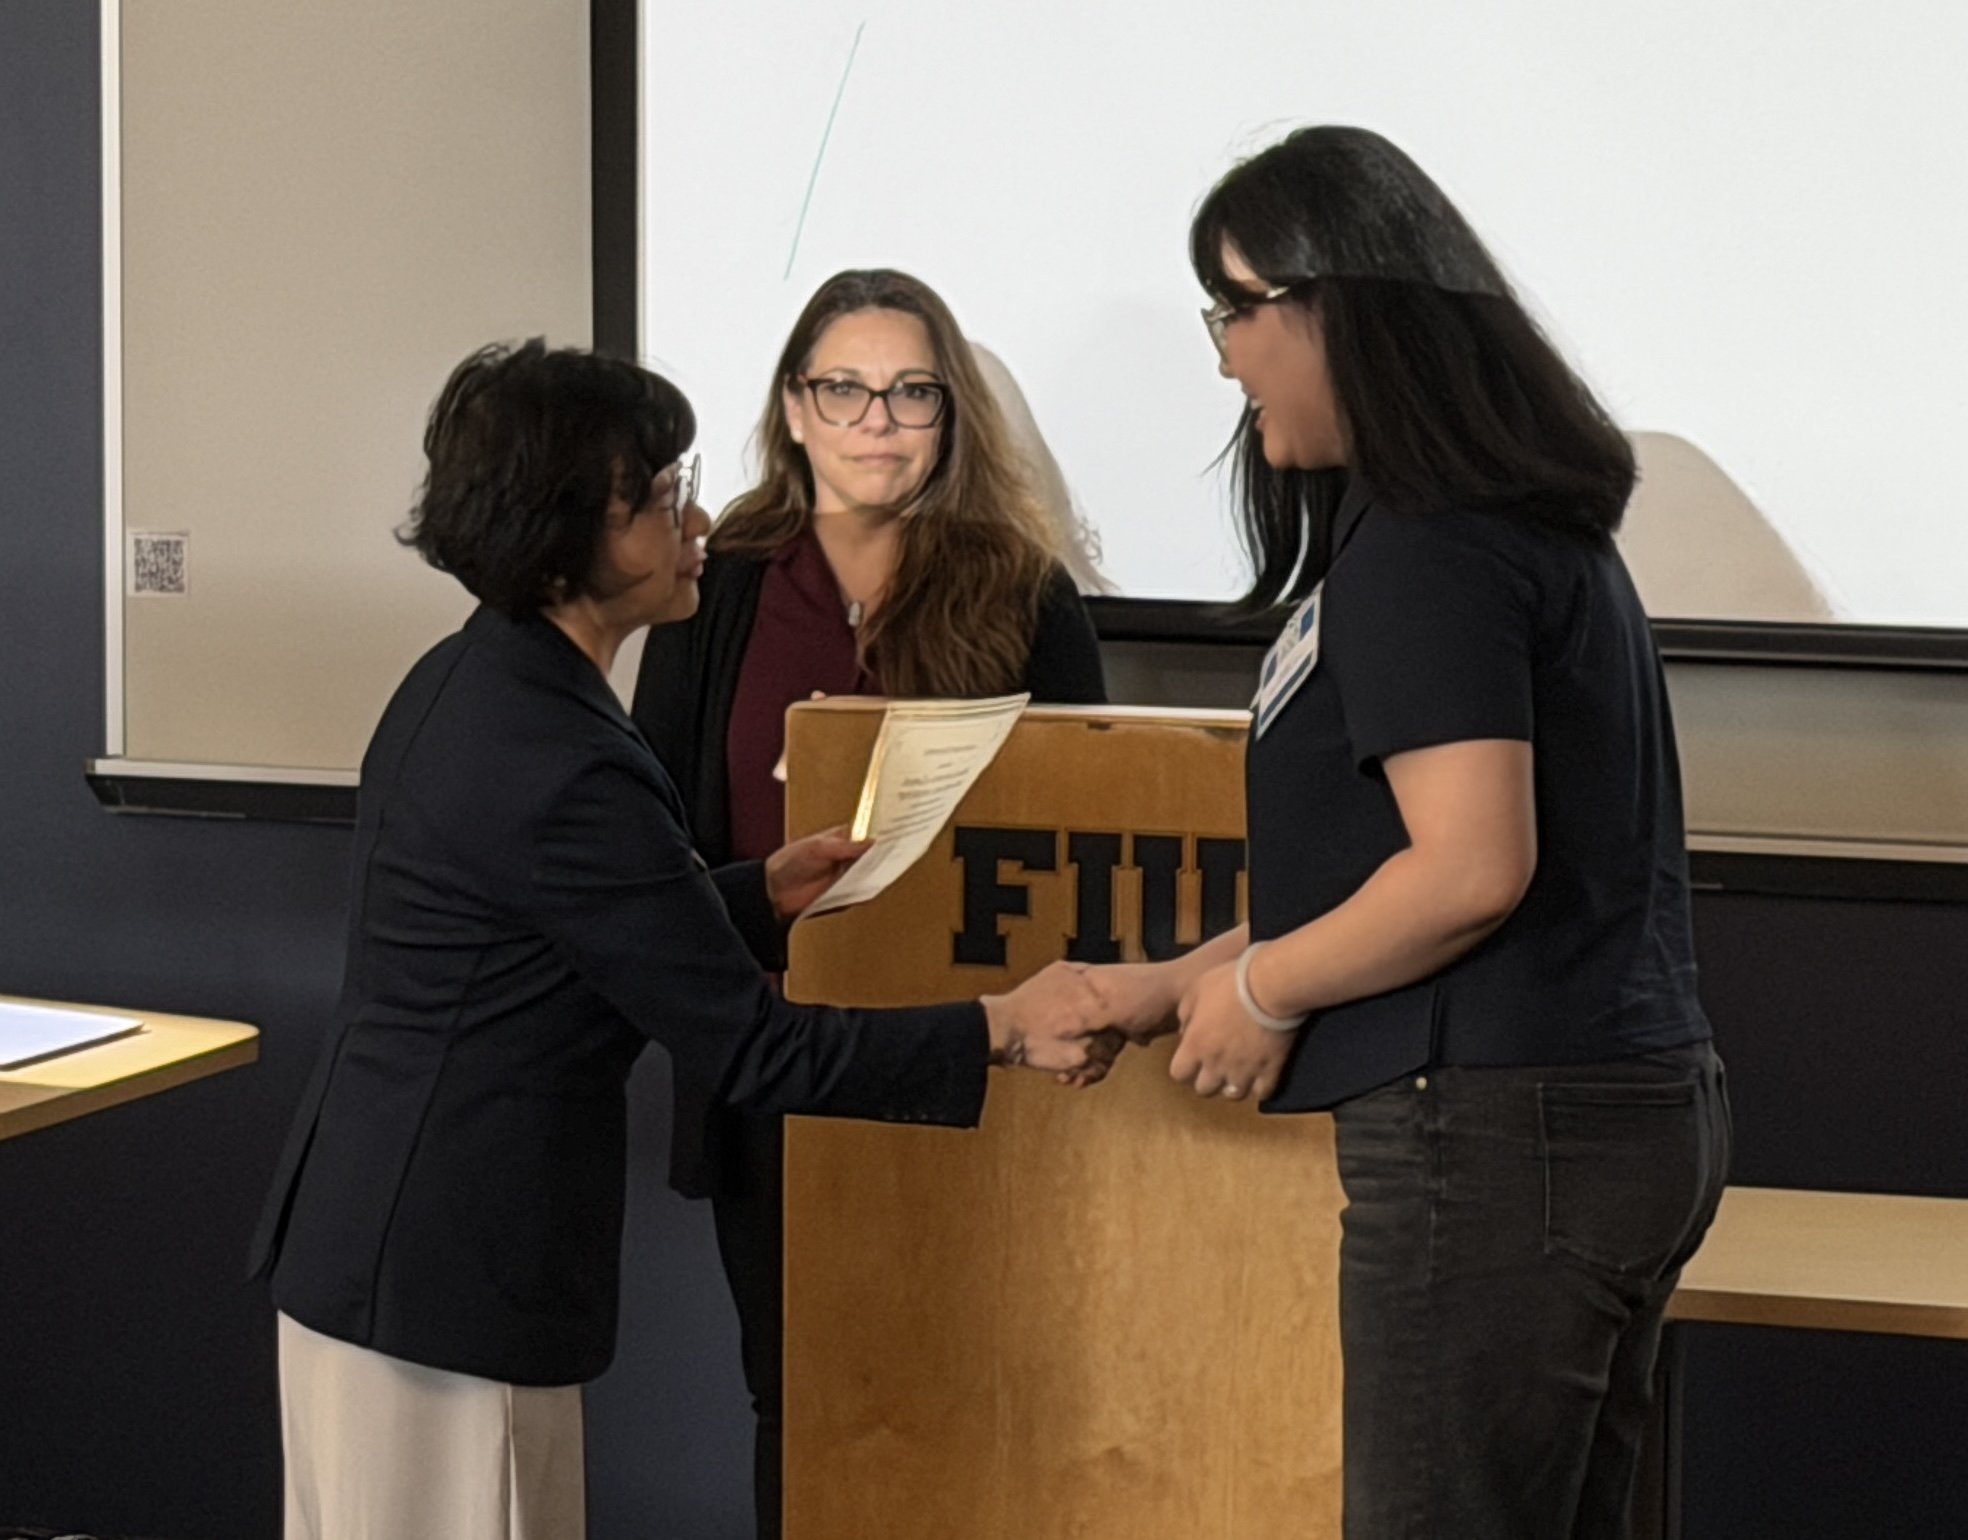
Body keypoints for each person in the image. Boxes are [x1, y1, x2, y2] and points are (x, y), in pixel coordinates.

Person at [248, 340, 1113, 1540]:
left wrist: (759, 890)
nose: (697, 515)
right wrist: (1005, 1026)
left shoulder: (480, 681)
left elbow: (567, 930)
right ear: (565, 532)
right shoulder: (559, 754)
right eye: (657, 499)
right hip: (444, 1278)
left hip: (395, 1246)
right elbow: (755, 1049)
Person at [1084, 127, 1732, 1539]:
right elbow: (1396, 871)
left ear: (1342, 308)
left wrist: (1259, 992)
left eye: (1235, 313)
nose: (1223, 360)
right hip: (1593, 1113)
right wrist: (1161, 986)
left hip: (1500, 1139)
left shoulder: (1432, 540)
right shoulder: (1503, 522)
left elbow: (1466, 871)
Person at [631, 268, 1107, 1539]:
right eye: (844, 388)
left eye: (911, 392)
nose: (877, 420)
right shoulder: (715, 576)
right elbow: (657, 817)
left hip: (975, 1052)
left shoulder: (1022, 585)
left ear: (949, 416)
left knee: (977, 1391)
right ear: (794, 407)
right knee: (797, 1395)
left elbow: (1083, 822)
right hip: (774, 1053)